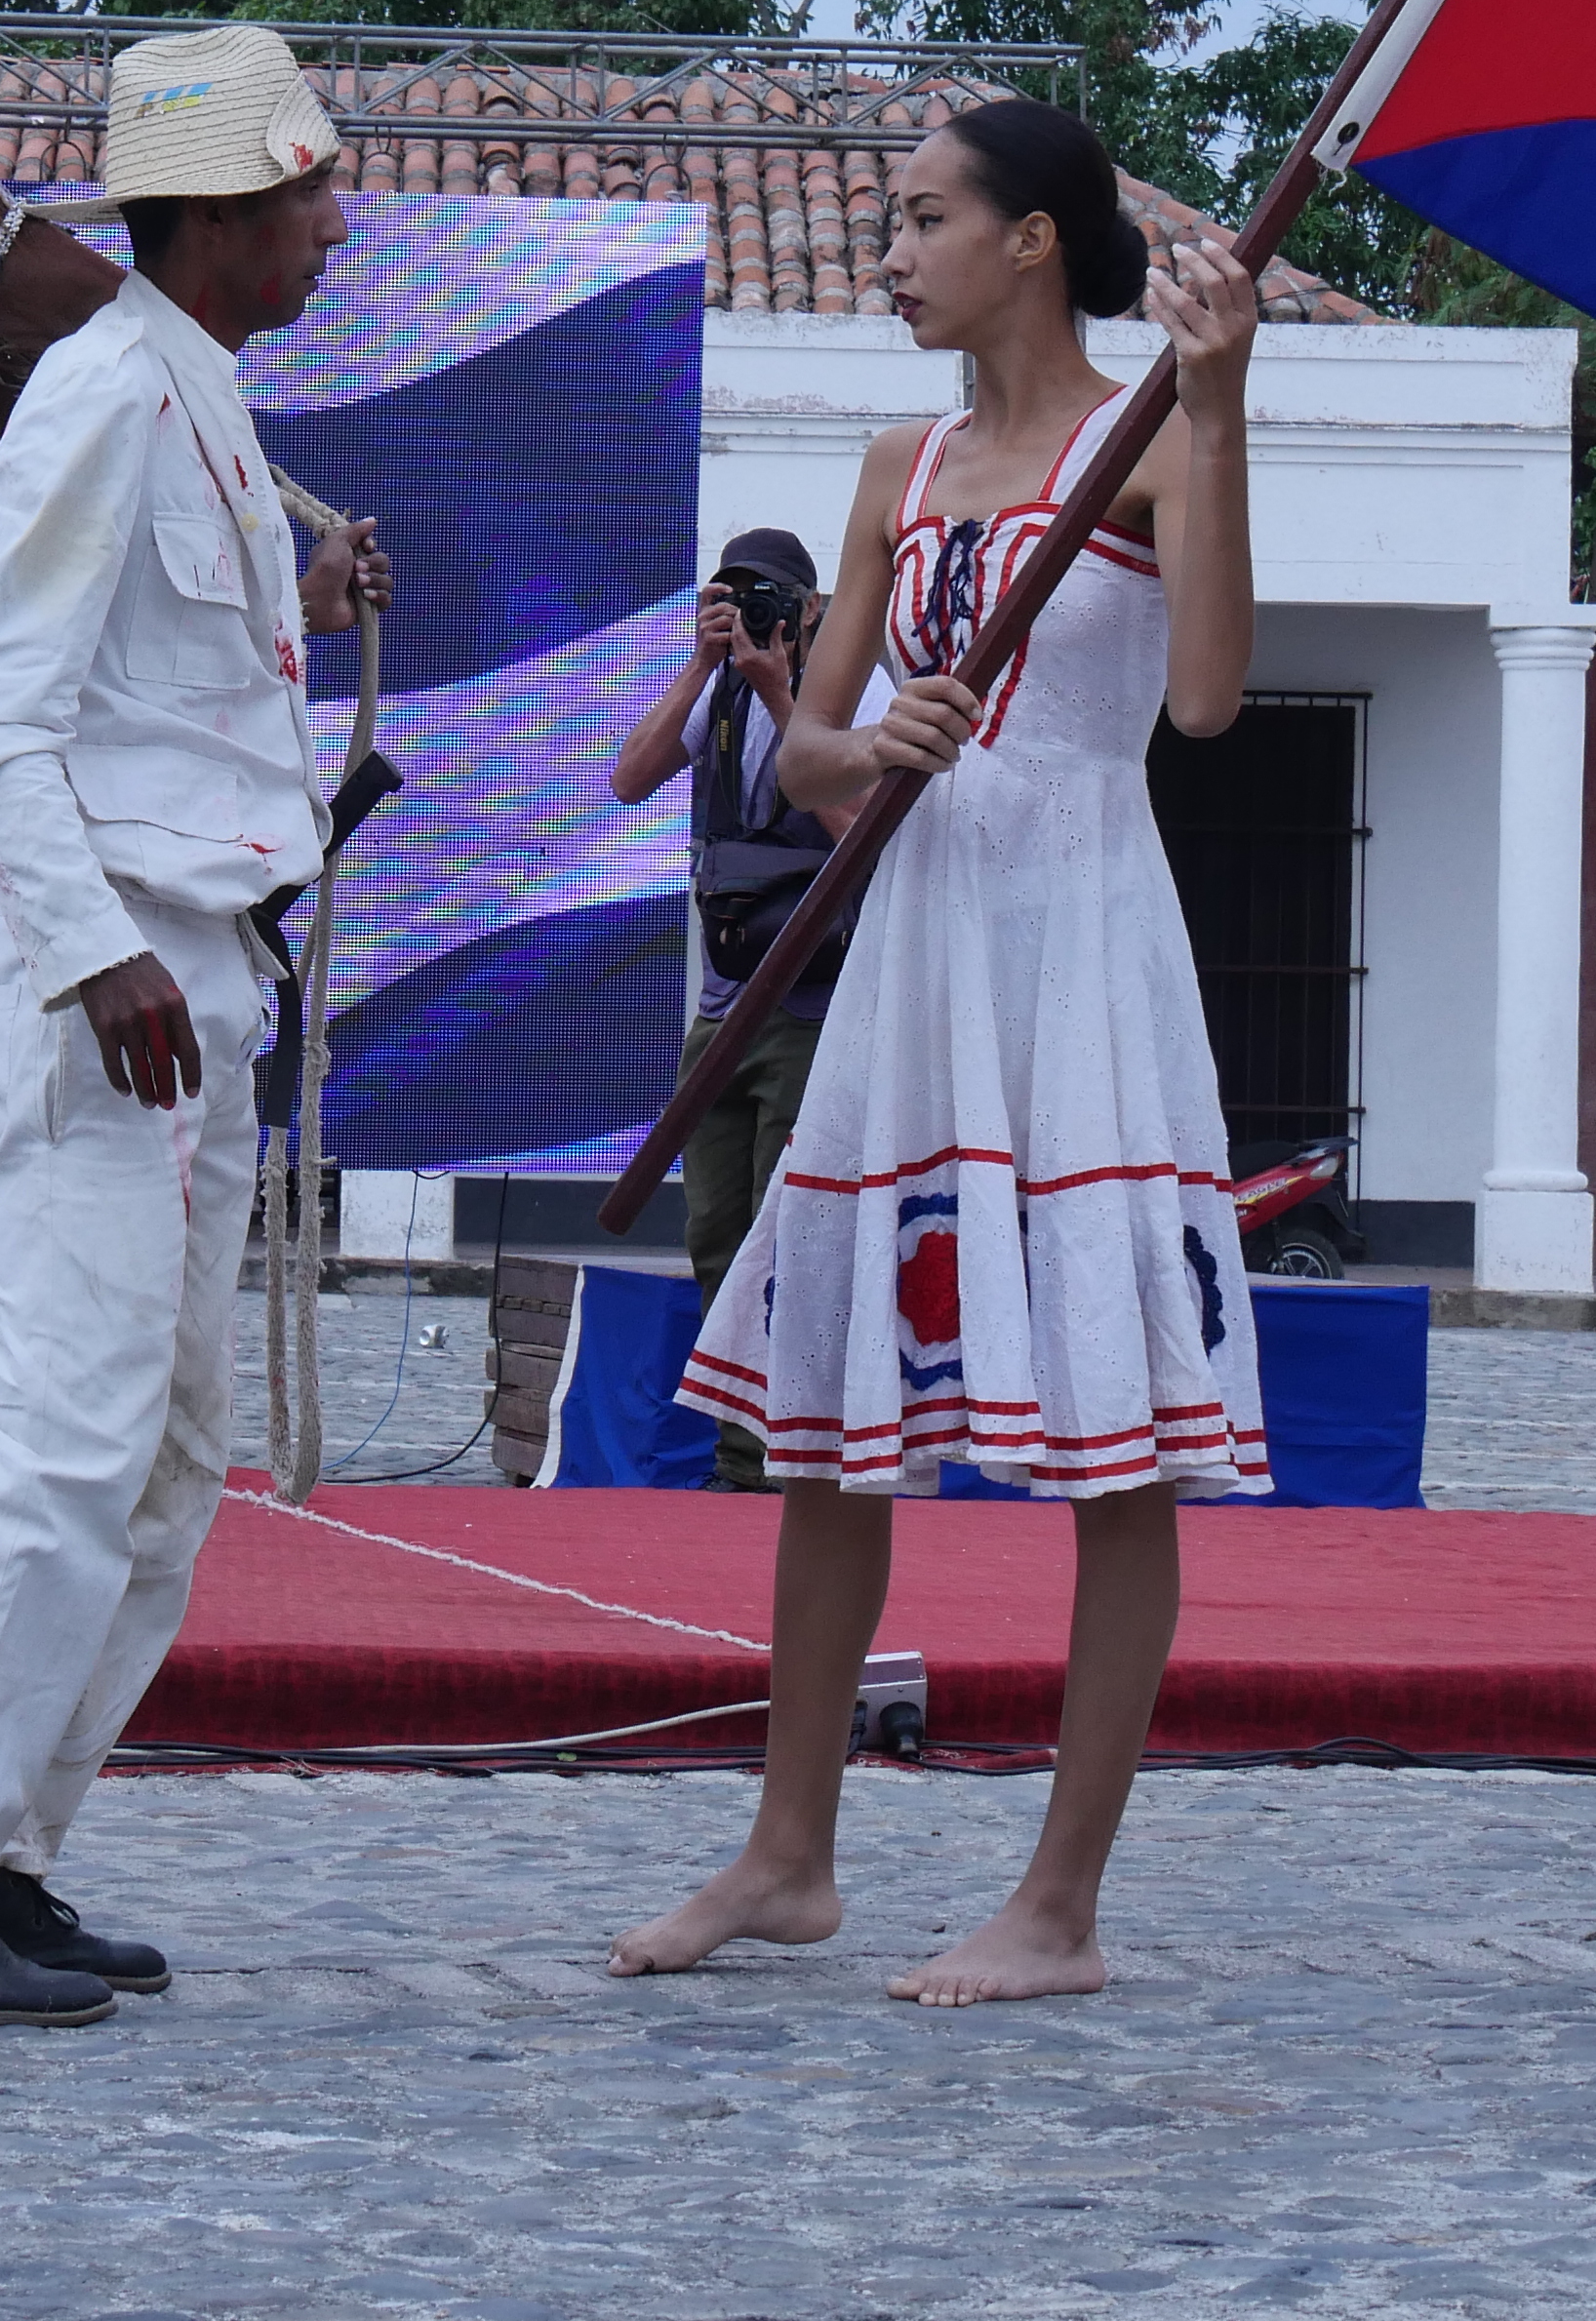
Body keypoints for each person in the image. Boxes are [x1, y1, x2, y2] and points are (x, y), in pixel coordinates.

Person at [611, 97, 1268, 2007]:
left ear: (1036, 238)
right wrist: (865, 752)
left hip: (1077, 963)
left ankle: (1059, 1905)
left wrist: (1215, 414)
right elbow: (810, 756)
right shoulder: (896, 463)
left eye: (921, 219)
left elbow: (1213, 698)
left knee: (1116, 1444)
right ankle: (788, 1856)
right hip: (912, 966)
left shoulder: (1142, 439)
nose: (889, 252)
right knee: (827, 1424)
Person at [0, 21, 391, 2029]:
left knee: (165, 1467)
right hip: (114, 989)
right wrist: (93, 954)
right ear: (216, 214)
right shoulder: (105, 400)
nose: (330, 215)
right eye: (305, 187)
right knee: (60, 1451)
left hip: (202, 982)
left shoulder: (196, 397)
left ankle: (3, 1859)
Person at [609, 528, 880, 1488]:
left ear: (811, 610)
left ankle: (794, 1459)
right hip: (723, 1011)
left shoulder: (852, 698)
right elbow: (630, 776)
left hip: (813, 1008)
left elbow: (870, 840)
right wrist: (703, 662)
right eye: (733, 599)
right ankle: (743, 1458)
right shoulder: (717, 689)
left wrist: (780, 691)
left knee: (793, 1238)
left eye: (767, 601)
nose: (754, 617)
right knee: (718, 1234)